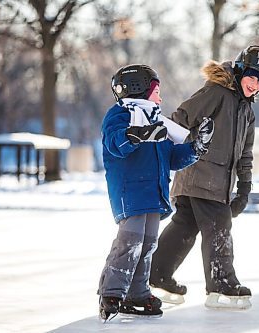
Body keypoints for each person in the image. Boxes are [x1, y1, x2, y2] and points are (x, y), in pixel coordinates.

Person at [150, 45, 259, 310]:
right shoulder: (217, 93)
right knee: (219, 227)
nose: (255, 85)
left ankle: (157, 275)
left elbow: (245, 155)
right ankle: (222, 284)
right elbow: (181, 118)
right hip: (200, 175)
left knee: (185, 226)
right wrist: (178, 154)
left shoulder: (247, 112)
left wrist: (244, 189)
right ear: (242, 70)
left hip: (213, 182)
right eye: (252, 76)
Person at [98, 64, 214, 321]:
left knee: (148, 244)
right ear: (138, 89)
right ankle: (112, 292)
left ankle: (137, 293)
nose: (160, 98)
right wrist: (139, 134)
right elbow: (115, 143)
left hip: (153, 192)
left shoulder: (157, 120)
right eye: (156, 91)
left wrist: (198, 146)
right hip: (130, 191)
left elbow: (172, 156)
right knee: (130, 241)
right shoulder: (120, 115)